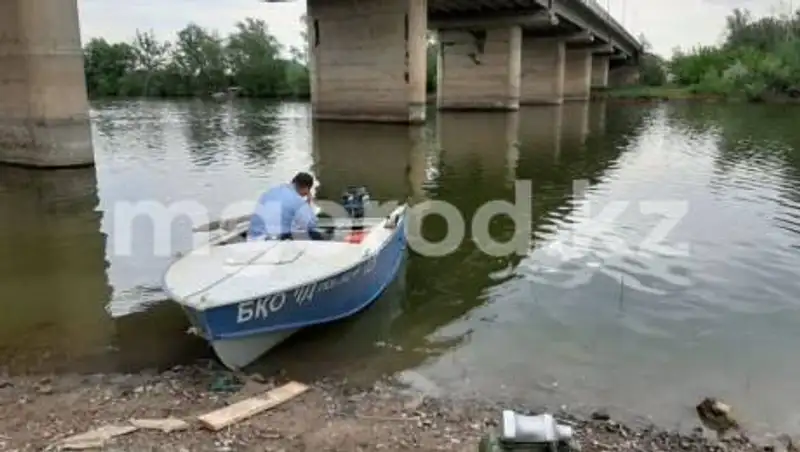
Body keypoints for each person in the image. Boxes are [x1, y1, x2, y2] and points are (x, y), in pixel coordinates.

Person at [247, 172, 326, 241]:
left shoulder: (271, 191)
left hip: (253, 238)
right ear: (306, 189)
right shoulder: (297, 200)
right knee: (314, 235)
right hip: (270, 240)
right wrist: (308, 204)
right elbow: (311, 224)